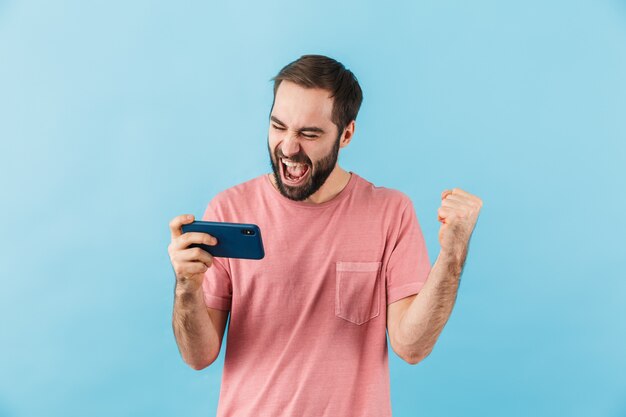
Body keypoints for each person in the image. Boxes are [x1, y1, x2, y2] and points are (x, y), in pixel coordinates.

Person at [168, 54, 483, 417]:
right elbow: (198, 356)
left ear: (346, 134)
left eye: (309, 133)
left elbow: (412, 347)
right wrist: (186, 287)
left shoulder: (390, 212)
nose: (288, 147)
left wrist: (452, 257)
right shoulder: (229, 209)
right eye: (278, 126)